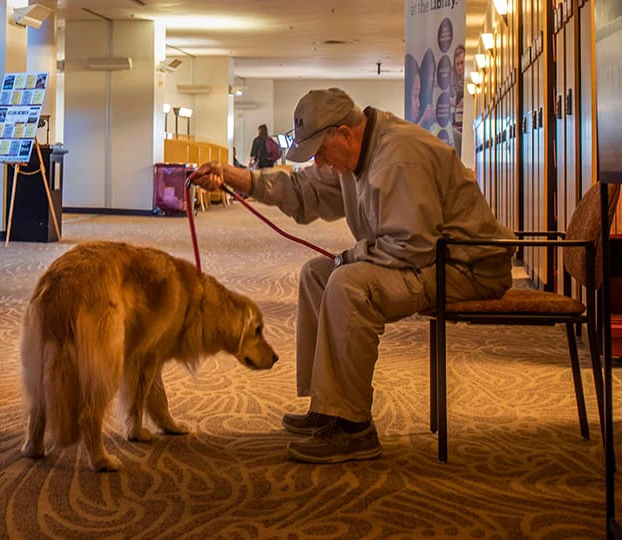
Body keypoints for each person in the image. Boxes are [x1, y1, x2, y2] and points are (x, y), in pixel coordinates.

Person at [188, 88, 514, 464]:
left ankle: (353, 427)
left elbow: (411, 246)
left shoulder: (398, 158)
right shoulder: (354, 152)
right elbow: (301, 189)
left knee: (348, 284)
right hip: (425, 257)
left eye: (322, 152)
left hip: (464, 267)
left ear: (344, 133)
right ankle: (327, 408)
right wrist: (237, 177)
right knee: (316, 275)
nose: (321, 162)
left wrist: (350, 257)